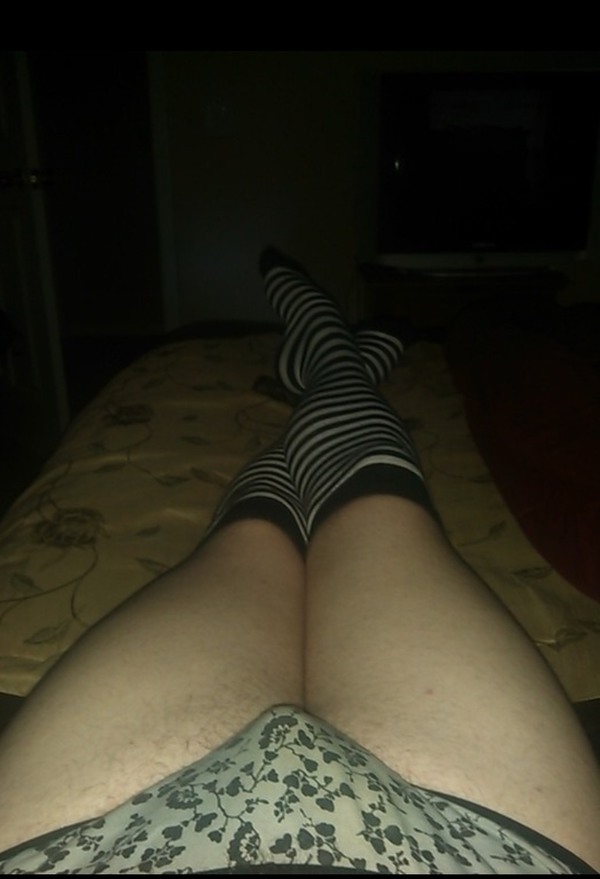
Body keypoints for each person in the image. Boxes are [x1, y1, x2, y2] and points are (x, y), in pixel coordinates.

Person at [0, 249, 598, 874]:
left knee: (254, 537)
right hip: (471, 848)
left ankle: (333, 358)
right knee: (375, 506)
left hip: (93, 850)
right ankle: (335, 360)